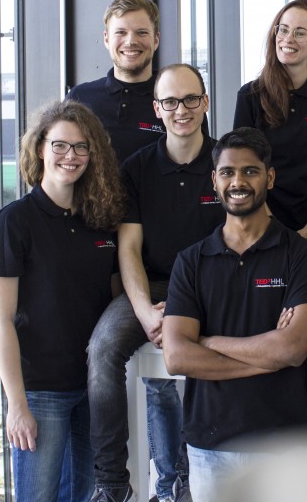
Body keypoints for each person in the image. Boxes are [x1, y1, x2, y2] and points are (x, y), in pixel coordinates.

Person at [162, 127, 307, 502]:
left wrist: (208, 341)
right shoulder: (191, 261)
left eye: (250, 171)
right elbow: (177, 357)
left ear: (269, 177)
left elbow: (292, 350)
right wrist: (267, 354)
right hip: (209, 446)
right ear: (214, 181)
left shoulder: (302, 256)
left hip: (288, 445)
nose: (238, 182)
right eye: (227, 172)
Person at [87, 64, 225, 502]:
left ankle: (193, 478)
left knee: (207, 356)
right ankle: (111, 481)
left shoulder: (228, 160)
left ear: (205, 103)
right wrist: (146, 311)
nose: (180, 109)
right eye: (170, 101)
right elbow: (128, 248)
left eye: (190, 99)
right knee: (103, 348)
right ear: (157, 109)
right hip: (157, 286)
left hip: (213, 288)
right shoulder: (138, 168)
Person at [0, 100, 126, 502]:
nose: (72, 156)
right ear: (40, 148)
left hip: (92, 390)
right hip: (40, 391)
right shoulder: (14, 222)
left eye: (82, 147)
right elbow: (1, 321)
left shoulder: (100, 221)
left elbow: (115, 300)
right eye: (61, 145)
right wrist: (16, 404)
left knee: (82, 494)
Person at [233, 0, 307, 239]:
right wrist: (272, 225)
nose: (288, 38)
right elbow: (244, 169)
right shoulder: (250, 95)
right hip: (262, 224)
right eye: (283, 29)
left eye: (300, 32)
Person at [66, 0, 164, 164]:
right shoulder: (79, 98)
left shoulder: (177, 102)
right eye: (120, 32)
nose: (131, 41)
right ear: (106, 39)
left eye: (141, 32)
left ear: (156, 39)